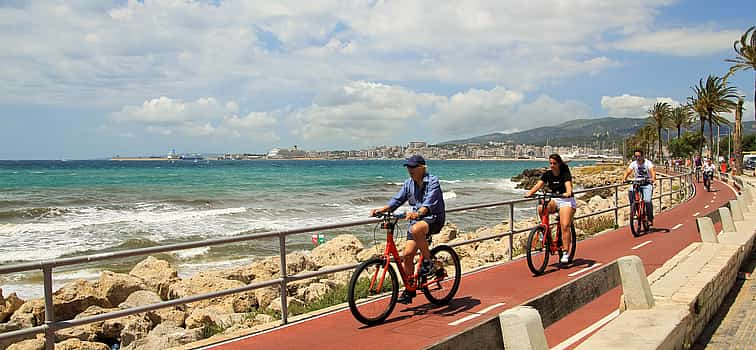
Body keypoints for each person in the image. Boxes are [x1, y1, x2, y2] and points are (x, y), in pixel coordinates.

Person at [369, 155, 445, 304]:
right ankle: (409, 290)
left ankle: (429, 262)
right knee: (408, 255)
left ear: (422, 168)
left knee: (416, 229)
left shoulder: (433, 182)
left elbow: (429, 204)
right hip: (416, 220)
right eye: (408, 167)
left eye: (413, 167)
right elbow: (397, 200)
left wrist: (418, 213)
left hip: (433, 219)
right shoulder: (408, 184)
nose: (410, 170)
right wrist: (382, 210)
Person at [524, 154, 576, 264]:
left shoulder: (565, 174)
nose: (552, 166)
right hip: (555, 199)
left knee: (565, 225)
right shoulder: (548, 174)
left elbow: (568, 187)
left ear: (559, 164)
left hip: (566, 200)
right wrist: (530, 193)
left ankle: (566, 252)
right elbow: (538, 185)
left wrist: (567, 193)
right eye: (550, 163)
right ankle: (544, 232)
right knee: (541, 208)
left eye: (554, 163)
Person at [622, 149, 657, 226]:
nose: (637, 158)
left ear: (643, 156)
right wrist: (624, 178)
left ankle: (650, 218)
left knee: (647, 201)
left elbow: (652, 171)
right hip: (637, 183)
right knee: (631, 191)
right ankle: (633, 208)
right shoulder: (633, 163)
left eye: (639, 156)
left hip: (647, 183)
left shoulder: (648, 163)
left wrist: (653, 178)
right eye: (636, 156)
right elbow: (628, 171)